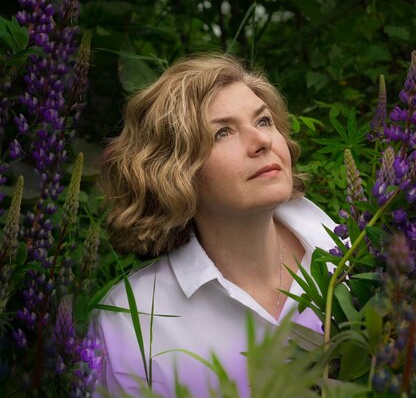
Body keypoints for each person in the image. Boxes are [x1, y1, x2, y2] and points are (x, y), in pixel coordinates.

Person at [93, 54, 336, 398]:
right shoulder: (130, 322)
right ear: (176, 171)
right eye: (223, 132)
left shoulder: (347, 252)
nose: (262, 141)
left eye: (264, 121)